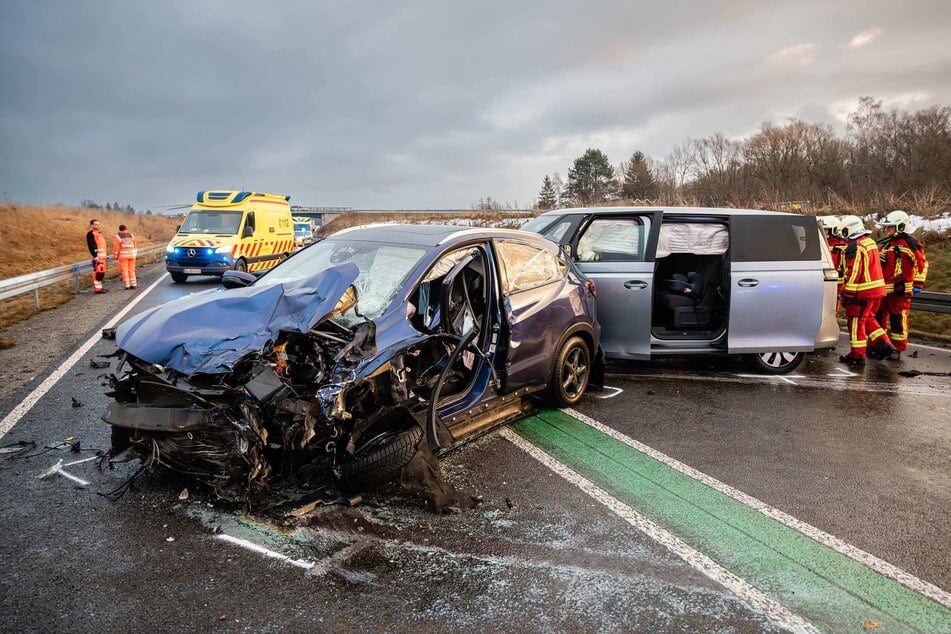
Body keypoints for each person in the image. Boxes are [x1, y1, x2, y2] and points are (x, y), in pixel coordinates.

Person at [836, 215, 896, 366]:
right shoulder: (870, 242)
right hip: (876, 290)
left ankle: (857, 355)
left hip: (863, 292)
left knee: (856, 322)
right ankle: (885, 345)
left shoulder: (855, 246)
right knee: (868, 318)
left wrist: (847, 293)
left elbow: (854, 271)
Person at [874, 210, 928, 360]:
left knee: (897, 320)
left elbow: (922, 264)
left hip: (900, 290)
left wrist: (918, 283)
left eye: (890, 227)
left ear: (900, 227)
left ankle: (897, 349)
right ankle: (880, 345)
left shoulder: (911, 243)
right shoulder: (888, 244)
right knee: (878, 317)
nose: (887, 230)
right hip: (885, 289)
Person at [819, 215, 847, 308]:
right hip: (823, 278)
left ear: (833, 230)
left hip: (837, 280)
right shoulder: (822, 243)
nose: (824, 232)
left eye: (826, 229)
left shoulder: (841, 245)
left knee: (832, 305)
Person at [85, 219, 108, 294]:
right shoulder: (91, 234)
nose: (97, 226)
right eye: (96, 224)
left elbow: (102, 246)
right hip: (98, 257)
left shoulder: (99, 234)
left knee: (101, 273)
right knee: (97, 273)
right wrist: (95, 256)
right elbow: (91, 246)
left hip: (103, 257)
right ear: (92, 225)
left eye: (98, 224)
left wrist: (106, 255)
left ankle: (100, 287)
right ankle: (97, 289)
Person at [113, 224, 138, 289]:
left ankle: (127, 285)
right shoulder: (131, 235)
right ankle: (133, 284)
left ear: (119, 229)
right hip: (132, 255)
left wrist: (115, 257)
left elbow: (116, 248)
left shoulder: (117, 236)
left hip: (123, 256)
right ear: (126, 229)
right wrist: (135, 254)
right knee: (131, 270)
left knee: (124, 271)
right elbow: (135, 245)